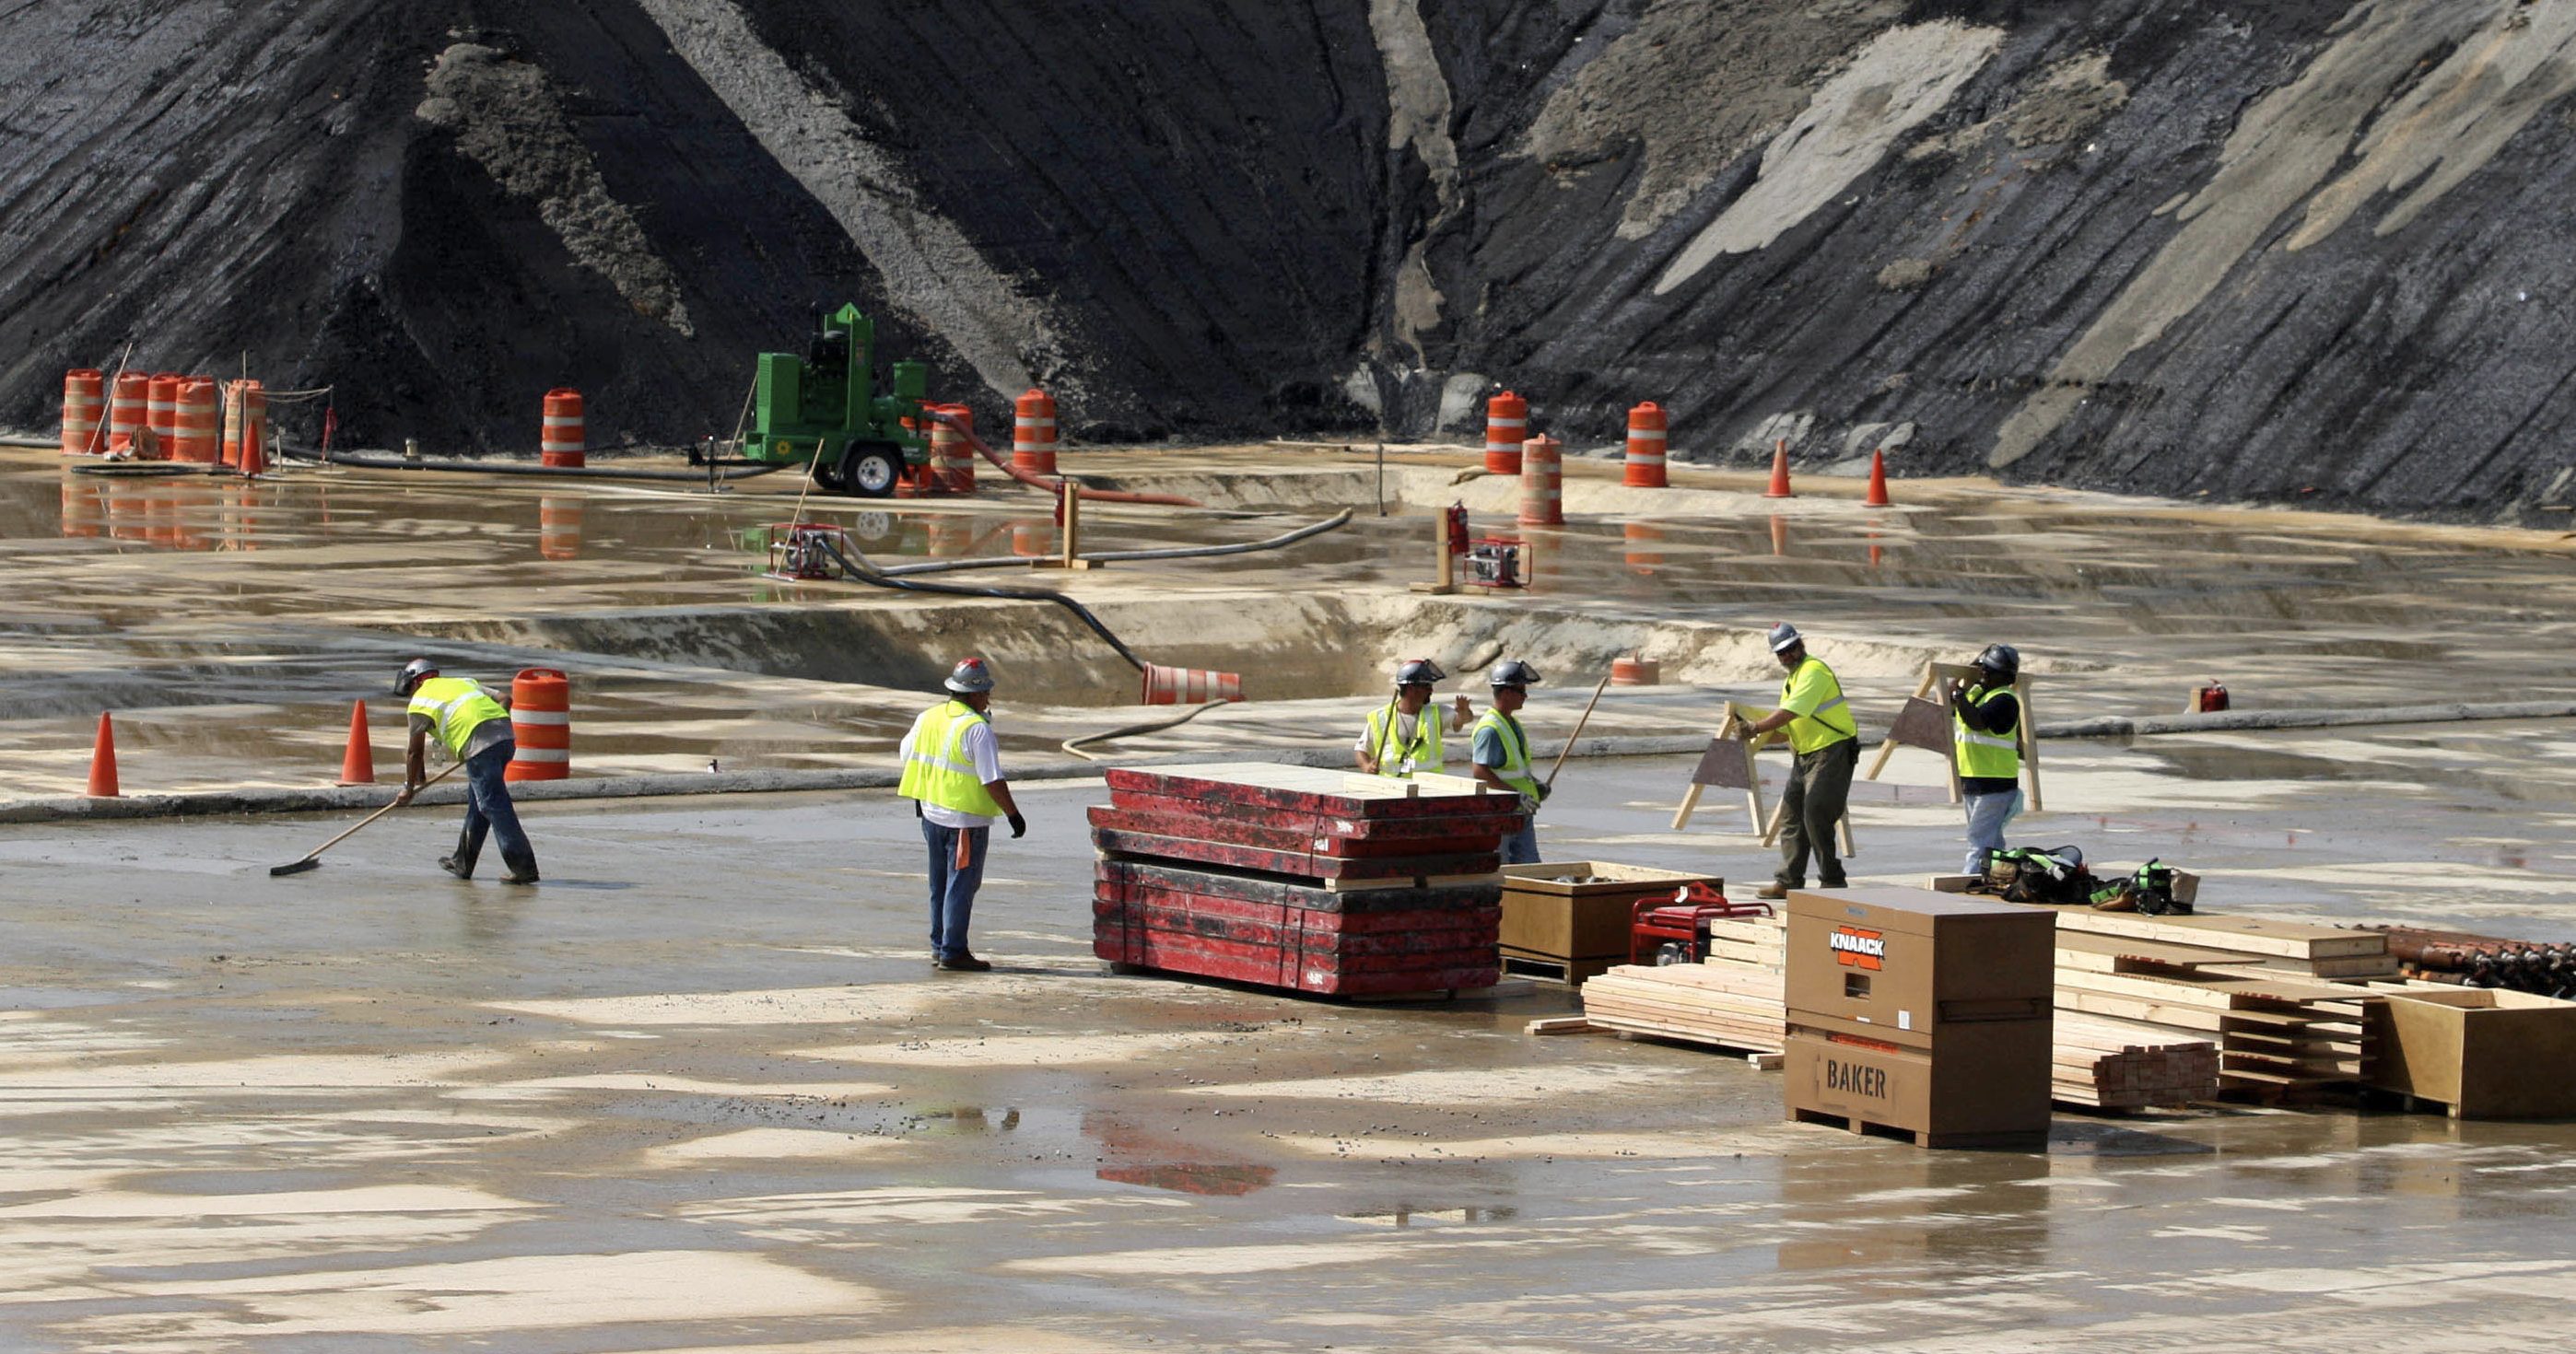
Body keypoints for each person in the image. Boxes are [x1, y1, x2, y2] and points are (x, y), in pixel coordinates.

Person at [897, 657, 1026, 973]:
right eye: (985, 693)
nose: (988, 700)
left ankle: (939, 946)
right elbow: (992, 779)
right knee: (961, 886)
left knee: (939, 885)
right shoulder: (976, 729)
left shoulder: (928, 717)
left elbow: (906, 753)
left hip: (931, 815)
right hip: (965, 823)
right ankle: (953, 951)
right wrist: (1014, 814)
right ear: (972, 694)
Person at [1739, 623, 1858, 899]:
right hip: (1805, 755)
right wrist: (1751, 736)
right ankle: (1789, 881)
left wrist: (1755, 727)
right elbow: (1784, 731)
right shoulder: (1791, 681)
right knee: (1792, 814)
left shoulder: (1814, 671)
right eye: (1782, 653)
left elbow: (1791, 712)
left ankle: (1832, 880)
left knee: (1816, 810)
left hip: (1832, 751)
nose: (1788, 655)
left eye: (1792, 648)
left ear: (1801, 645)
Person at [392, 659, 538, 884]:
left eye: (410, 686)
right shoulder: (463, 682)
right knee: (479, 802)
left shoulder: (420, 702)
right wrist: (419, 780)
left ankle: (523, 867)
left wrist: (407, 789)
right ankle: (463, 862)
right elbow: (505, 699)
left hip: (481, 744)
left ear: (418, 680)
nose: (410, 692)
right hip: (505, 737)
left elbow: (414, 752)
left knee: (493, 804)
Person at [1950, 643, 2024, 876]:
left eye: (1988, 671)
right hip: (1973, 779)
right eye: (1983, 669)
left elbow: (1978, 722)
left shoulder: (2005, 700)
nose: (1984, 674)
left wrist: (1961, 697)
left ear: (2004, 676)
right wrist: (1969, 671)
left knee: (1978, 838)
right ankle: (1999, 876)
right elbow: (1948, 700)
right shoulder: (1979, 693)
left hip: (1996, 783)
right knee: (1990, 839)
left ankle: (1970, 881)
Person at [1470, 660, 1547, 864]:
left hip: (1521, 811)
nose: (1525, 696)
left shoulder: (1511, 723)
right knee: (1501, 867)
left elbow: (1517, 768)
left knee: (1530, 866)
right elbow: (1479, 771)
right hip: (1500, 813)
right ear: (1506, 693)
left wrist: (1535, 785)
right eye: (1521, 690)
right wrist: (1515, 796)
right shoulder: (1490, 729)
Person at [1354, 658, 1473, 778]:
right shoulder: (1381, 717)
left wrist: (1464, 712)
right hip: (1392, 790)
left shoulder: (1437, 713)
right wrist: (1366, 766)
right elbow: (1361, 749)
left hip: (1428, 790)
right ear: (1411, 688)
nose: (1431, 690)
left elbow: (1463, 720)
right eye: (1426, 686)